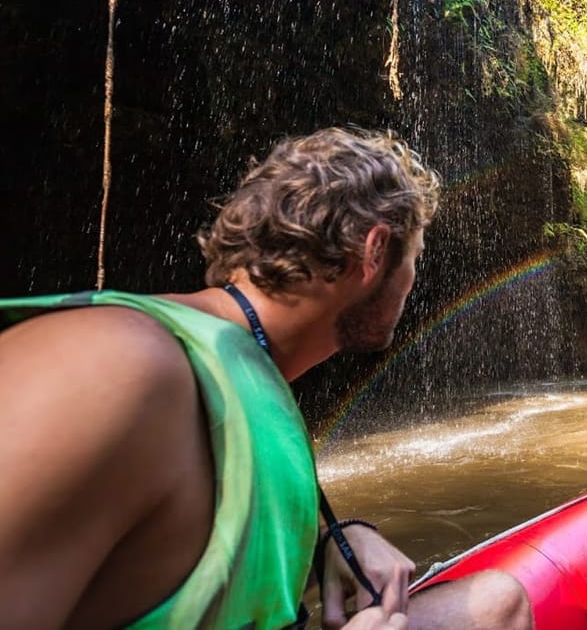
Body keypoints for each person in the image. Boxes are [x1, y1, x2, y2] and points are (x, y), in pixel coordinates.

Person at [0, 127, 532, 630]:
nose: (414, 281)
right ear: (374, 253)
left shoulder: (245, 365)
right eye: (413, 259)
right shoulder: (119, 363)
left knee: (495, 604)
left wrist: (332, 539)